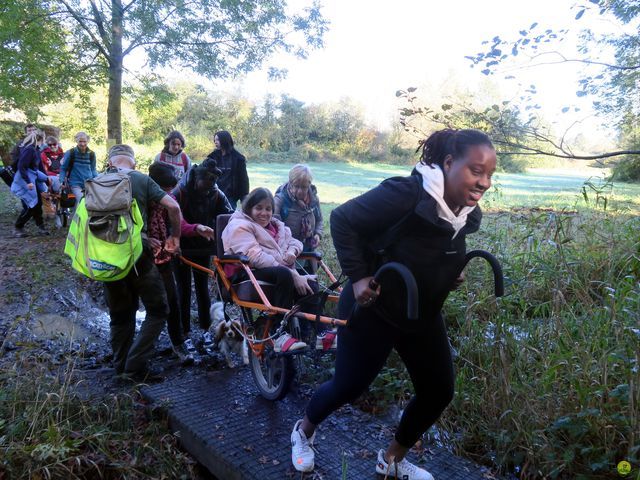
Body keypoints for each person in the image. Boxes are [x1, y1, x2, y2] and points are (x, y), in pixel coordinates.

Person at [289, 128, 497, 479]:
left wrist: (450, 273)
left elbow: (435, 250)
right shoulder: (405, 193)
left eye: (490, 174)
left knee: (438, 391)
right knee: (349, 386)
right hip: (374, 308)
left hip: (420, 311)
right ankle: (303, 431)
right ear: (449, 163)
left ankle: (392, 459)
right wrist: (357, 278)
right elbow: (342, 219)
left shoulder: (466, 213)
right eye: (476, 171)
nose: (484, 182)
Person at [103, 144, 182, 381]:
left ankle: (120, 366)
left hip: (107, 258)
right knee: (158, 309)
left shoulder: (96, 181)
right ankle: (135, 366)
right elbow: (173, 206)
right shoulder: (141, 179)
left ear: (110, 162)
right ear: (133, 162)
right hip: (139, 256)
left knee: (120, 314)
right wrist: (175, 236)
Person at [221, 187, 323, 352]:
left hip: (273, 270)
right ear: (249, 208)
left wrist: (292, 251)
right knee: (284, 274)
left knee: (310, 284)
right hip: (246, 272)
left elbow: (294, 242)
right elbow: (254, 257)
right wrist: (291, 272)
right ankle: (279, 333)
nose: (264, 213)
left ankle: (317, 333)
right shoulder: (239, 226)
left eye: (268, 209)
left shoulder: (277, 226)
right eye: (259, 208)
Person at [148, 162, 215, 365]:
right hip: (146, 259)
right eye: (164, 190)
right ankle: (146, 349)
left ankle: (181, 341)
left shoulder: (173, 198)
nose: (168, 194)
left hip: (170, 255)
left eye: (170, 190)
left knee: (175, 299)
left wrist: (196, 229)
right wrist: (145, 239)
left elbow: (180, 222)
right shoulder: (143, 199)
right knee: (165, 301)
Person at [173, 164, 234, 353]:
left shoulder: (216, 193)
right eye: (205, 184)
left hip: (203, 246)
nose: (208, 188)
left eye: (212, 184)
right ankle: (184, 333)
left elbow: (229, 216)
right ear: (196, 179)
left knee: (202, 289)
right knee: (182, 290)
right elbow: (172, 218)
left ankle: (207, 330)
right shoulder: (180, 192)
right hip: (181, 248)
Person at [274, 164, 323, 253]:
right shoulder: (280, 200)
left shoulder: (314, 200)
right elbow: (274, 226)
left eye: (304, 187)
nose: (300, 191)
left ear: (309, 185)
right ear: (290, 183)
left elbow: (319, 220)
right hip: (286, 249)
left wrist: (317, 234)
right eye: (296, 186)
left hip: (308, 248)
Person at [11, 131, 50, 237]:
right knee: (30, 205)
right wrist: (27, 182)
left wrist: (47, 179)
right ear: (41, 139)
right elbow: (21, 166)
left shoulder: (36, 150)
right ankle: (18, 227)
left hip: (33, 180)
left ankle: (40, 227)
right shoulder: (29, 149)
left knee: (37, 204)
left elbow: (39, 167)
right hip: (26, 181)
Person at [202, 130, 249, 206]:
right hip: (213, 194)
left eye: (217, 139)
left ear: (224, 140)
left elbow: (243, 180)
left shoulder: (238, 158)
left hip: (230, 197)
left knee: (228, 216)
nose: (215, 142)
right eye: (215, 140)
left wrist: (244, 197)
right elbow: (203, 173)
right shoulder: (212, 157)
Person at [58, 131, 97, 208]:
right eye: (80, 141)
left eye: (84, 141)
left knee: (83, 205)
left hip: (88, 183)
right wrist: (61, 181)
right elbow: (63, 168)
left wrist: (97, 180)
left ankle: (76, 219)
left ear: (88, 141)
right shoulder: (71, 153)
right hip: (75, 183)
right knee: (82, 201)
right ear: (76, 141)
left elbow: (93, 169)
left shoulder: (92, 154)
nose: (82, 144)